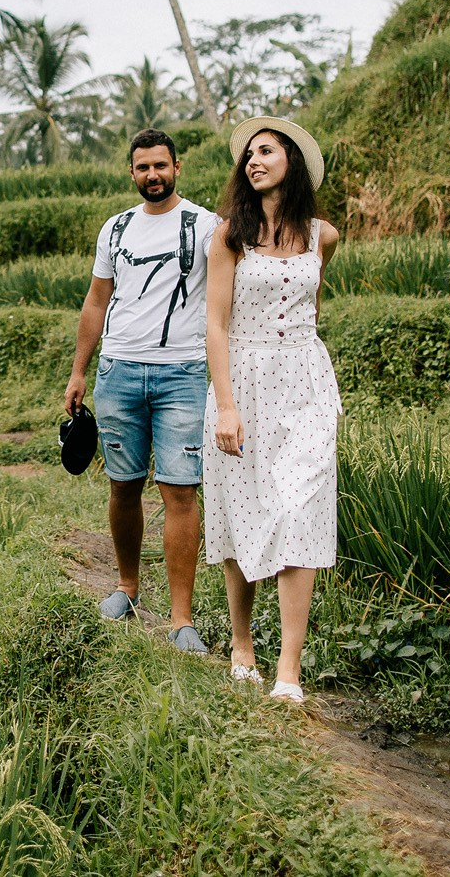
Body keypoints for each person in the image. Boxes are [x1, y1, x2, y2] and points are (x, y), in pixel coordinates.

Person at [202, 116, 342, 704]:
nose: (254, 161)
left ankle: (289, 670)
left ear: (293, 162)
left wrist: (303, 363)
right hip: (244, 383)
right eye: (249, 155)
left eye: (266, 151)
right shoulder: (229, 236)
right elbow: (215, 325)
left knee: (299, 512)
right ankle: (242, 644)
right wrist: (226, 407)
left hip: (305, 384)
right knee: (243, 509)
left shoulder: (322, 236)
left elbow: (311, 308)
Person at [64, 127, 219, 653]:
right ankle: (127, 588)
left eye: (161, 165)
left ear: (177, 167)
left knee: (180, 491)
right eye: (143, 167)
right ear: (131, 172)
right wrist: (79, 371)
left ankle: (181, 619)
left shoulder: (206, 226)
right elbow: (96, 301)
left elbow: (228, 294)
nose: (153, 174)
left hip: (182, 374)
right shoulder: (116, 228)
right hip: (119, 371)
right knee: (124, 485)